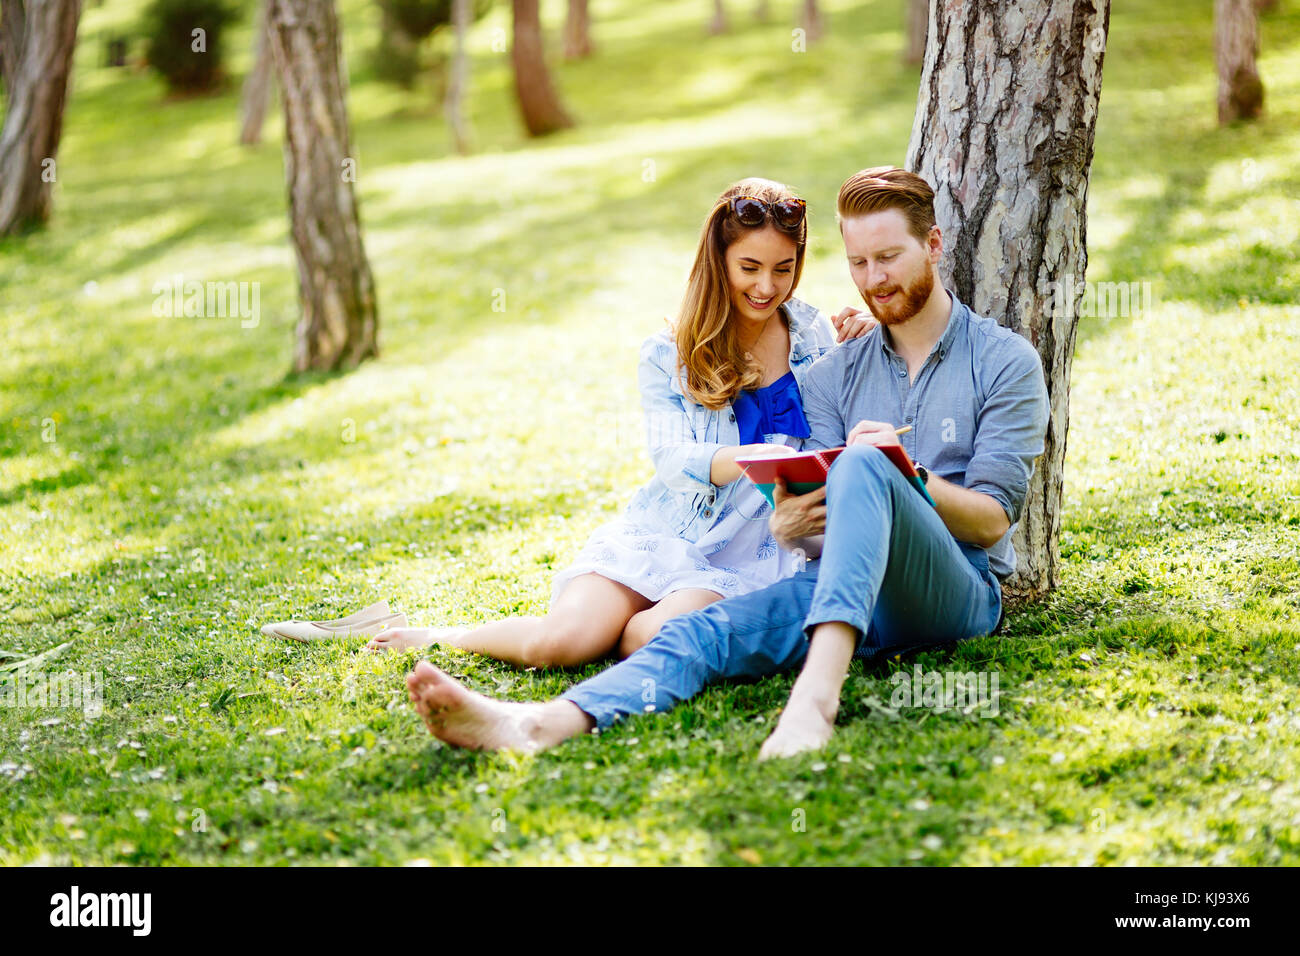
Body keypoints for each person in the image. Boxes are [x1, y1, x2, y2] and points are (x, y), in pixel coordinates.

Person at [402, 166, 1051, 759]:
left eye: (889, 256)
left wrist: (899, 473)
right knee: (695, 636)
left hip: (955, 589)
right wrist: (794, 522)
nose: (874, 278)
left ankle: (813, 704)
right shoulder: (830, 375)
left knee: (863, 463)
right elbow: (808, 527)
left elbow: (993, 522)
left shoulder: (1003, 361)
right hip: (841, 584)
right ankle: (535, 725)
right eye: (859, 262)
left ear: (934, 245)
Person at [265, 178, 875, 667]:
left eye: (784, 268)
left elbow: (848, 424)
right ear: (718, 260)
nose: (767, 286)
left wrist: (869, 339)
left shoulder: (816, 335)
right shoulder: (669, 351)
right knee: (561, 646)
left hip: (749, 555)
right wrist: (755, 461)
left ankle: (614, 627)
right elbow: (671, 459)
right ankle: (429, 635)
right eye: (750, 267)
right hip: (670, 534)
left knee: (648, 640)